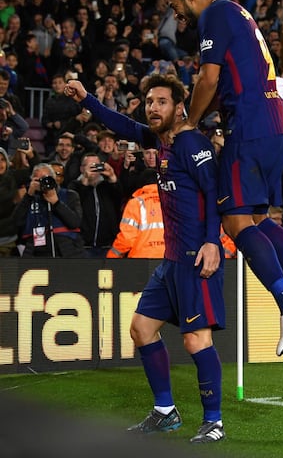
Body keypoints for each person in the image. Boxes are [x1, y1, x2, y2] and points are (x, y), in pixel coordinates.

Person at [163, 0, 283, 357]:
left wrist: (188, 122)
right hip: (275, 126)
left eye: (175, 6)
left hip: (250, 128)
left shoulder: (213, 15)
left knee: (235, 221)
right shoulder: (237, 12)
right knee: (257, 218)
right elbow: (224, 85)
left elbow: (208, 79)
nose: (176, 16)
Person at [64, 75, 226, 444]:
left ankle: (214, 422)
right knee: (141, 328)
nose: (152, 107)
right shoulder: (158, 140)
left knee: (196, 340)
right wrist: (87, 98)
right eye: (149, 100)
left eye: (161, 101)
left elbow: (214, 192)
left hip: (196, 259)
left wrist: (213, 241)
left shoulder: (191, 143)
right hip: (170, 262)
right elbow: (121, 123)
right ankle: (166, 412)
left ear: (179, 106)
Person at [13, 162, 85, 258]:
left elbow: (74, 222)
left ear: (54, 179)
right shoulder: (30, 199)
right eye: (38, 180)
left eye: (45, 179)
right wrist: (28, 195)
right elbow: (16, 222)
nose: (42, 183)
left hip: (66, 249)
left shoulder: (69, 195)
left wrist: (56, 202)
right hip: (35, 250)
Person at [67, 152, 123, 258]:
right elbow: (74, 202)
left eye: (96, 165)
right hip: (83, 246)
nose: (93, 169)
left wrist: (112, 176)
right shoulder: (74, 185)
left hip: (107, 246)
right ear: (82, 168)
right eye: (90, 166)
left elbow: (119, 197)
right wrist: (85, 180)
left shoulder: (106, 185)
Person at [106, 168, 165, 258]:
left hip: (142, 260)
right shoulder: (174, 202)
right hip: (170, 259)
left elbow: (127, 237)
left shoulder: (136, 203)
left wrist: (112, 256)